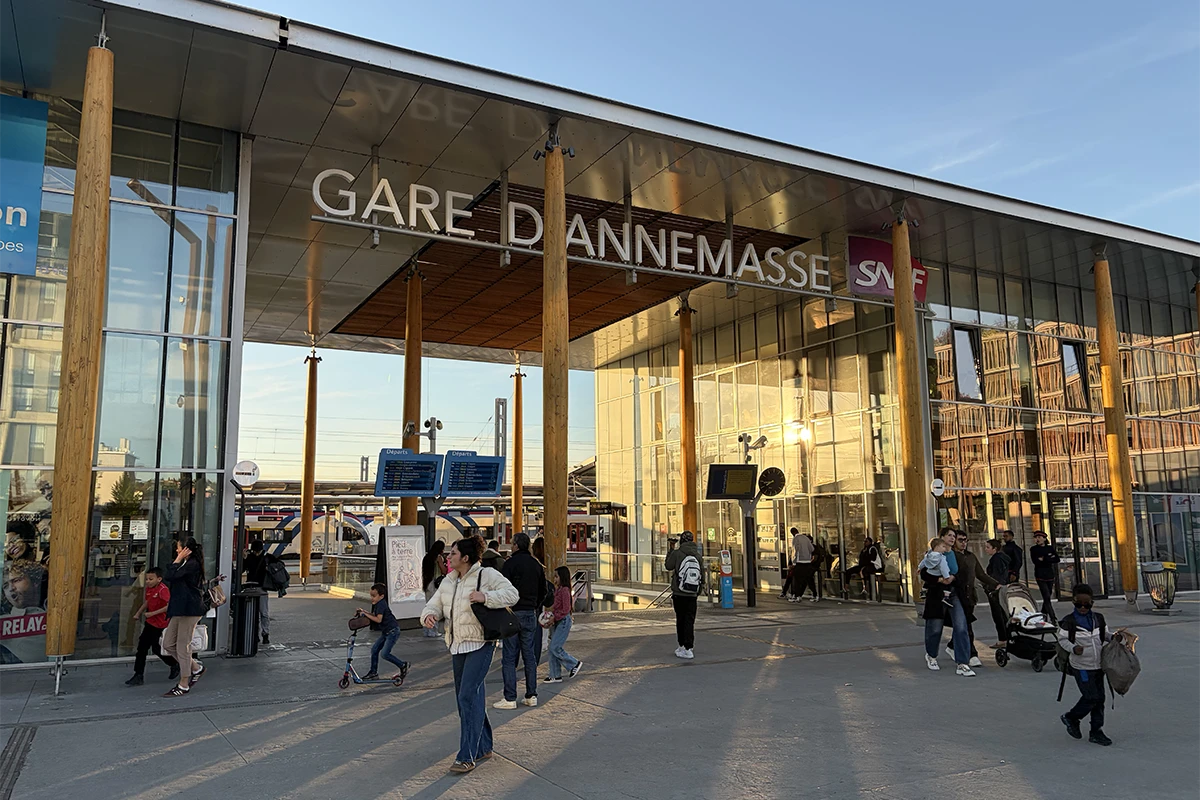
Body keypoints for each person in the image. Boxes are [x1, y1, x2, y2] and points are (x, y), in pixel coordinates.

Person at [421, 537, 520, 774]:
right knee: (470, 698)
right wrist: (428, 615)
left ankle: (466, 755)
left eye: (452, 553)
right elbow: (434, 604)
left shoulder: (486, 575)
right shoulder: (448, 580)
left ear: (465, 558)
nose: (448, 557)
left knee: (466, 697)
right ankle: (484, 745)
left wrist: (486, 597)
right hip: (457, 645)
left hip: (481, 643)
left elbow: (512, 594)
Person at [496, 533, 546, 709]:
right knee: (529, 656)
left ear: (516, 545)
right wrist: (534, 605)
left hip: (512, 613)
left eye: (511, 542)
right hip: (530, 613)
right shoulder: (536, 565)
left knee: (509, 657)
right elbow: (544, 590)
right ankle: (531, 695)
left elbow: (501, 589)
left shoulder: (509, 564)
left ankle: (510, 698)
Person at [1058, 584, 1112, 746]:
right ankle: (1071, 717)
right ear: (1073, 602)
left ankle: (1096, 731)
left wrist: (1116, 637)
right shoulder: (1068, 622)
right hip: (1081, 667)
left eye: (1086, 604)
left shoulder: (1099, 619)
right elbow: (1062, 640)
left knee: (1100, 699)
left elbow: (1104, 635)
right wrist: (1073, 648)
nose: (1082, 607)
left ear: (1092, 603)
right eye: (1078, 604)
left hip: (1098, 666)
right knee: (1091, 697)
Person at [919, 528, 974, 676]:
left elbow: (964, 574)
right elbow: (924, 573)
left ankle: (962, 663)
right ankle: (931, 655)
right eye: (949, 535)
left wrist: (953, 578)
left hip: (955, 594)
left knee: (961, 627)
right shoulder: (933, 555)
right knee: (935, 628)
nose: (952, 538)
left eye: (954, 536)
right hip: (937, 595)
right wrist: (939, 580)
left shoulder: (956, 556)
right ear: (941, 537)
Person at [942, 531, 999, 668]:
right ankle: (972, 654)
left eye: (965, 540)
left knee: (962, 625)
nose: (963, 543)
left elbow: (980, 574)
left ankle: (952, 646)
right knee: (966, 625)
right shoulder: (950, 556)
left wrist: (996, 584)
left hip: (969, 596)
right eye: (960, 540)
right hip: (956, 594)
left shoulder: (970, 556)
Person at [162, 537, 206, 697]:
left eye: (179, 548)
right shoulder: (186, 564)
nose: (176, 551)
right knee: (168, 643)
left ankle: (184, 683)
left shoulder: (191, 565)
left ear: (187, 550)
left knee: (183, 646)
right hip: (179, 609)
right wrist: (178, 560)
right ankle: (196, 668)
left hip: (190, 609)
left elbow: (170, 576)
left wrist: (178, 560)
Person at [125, 567, 179, 686]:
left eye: (151, 579)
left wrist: (152, 613)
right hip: (151, 622)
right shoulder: (150, 589)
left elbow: (169, 606)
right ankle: (172, 664)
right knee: (148, 647)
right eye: (147, 579)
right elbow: (147, 602)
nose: (148, 581)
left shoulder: (163, 590)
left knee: (147, 647)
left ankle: (173, 664)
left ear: (159, 579)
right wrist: (138, 613)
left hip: (160, 623)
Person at [358, 583, 408, 682]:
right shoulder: (378, 604)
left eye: (374, 596)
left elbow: (378, 619)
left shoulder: (381, 604)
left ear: (381, 596)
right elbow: (374, 615)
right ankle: (373, 673)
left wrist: (366, 615)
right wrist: (364, 612)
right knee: (374, 650)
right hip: (386, 632)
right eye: (371, 595)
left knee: (385, 654)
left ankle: (403, 665)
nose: (372, 598)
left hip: (392, 631)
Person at [664, 531, 703, 658]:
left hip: (679, 593)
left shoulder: (677, 553)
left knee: (680, 619)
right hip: (692, 593)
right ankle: (689, 647)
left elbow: (668, 566)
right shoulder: (698, 555)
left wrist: (670, 549)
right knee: (689, 620)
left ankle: (681, 646)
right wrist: (698, 591)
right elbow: (702, 575)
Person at [544, 566, 582, 683]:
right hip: (558, 620)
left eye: (556, 576)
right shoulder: (559, 590)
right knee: (552, 648)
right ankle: (555, 674)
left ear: (563, 577)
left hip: (563, 621)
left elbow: (566, 609)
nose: (554, 579)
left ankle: (573, 663)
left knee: (555, 646)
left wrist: (554, 618)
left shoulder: (565, 590)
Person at [242, 540, 273, 645]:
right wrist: (244, 558)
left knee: (263, 613)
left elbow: (279, 565)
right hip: (252, 587)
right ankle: (255, 635)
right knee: (256, 613)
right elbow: (241, 569)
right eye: (255, 551)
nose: (256, 553)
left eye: (258, 551)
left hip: (261, 588)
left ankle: (265, 634)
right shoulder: (249, 557)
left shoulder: (267, 557)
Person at [983, 539, 1013, 648]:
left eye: (988, 547)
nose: (986, 549)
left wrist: (993, 586)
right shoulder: (1002, 558)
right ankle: (1006, 637)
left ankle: (1003, 639)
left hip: (996, 590)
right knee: (1002, 614)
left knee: (998, 615)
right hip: (1001, 588)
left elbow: (996, 575)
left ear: (995, 549)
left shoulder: (996, 559)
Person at [1030, 532, 1060, 622]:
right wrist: (1048, 558)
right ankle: (1053, 618)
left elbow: (1056, 559)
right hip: (1040, 575)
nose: (1037, 539)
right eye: (1035, 537)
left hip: (1050, 575)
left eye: (1039, 537)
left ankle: (1043, 615)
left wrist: (1045, 558)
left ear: (1044, 538)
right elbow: (1036, 561)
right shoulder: (1034, 549)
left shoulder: (1050, 548)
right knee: (1046, 596)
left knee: (1048, 596)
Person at [421, 540, 447, 638]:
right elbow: (443, 571)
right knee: (435, 607)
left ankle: (426, 630)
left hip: (427, 583)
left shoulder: (426, 557)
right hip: (435, 584)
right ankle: (433, 631)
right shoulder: (438, 558)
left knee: (428, 606)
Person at [918, 538, 955, 608]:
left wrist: (919, 567)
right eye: (943, 547)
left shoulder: (928, 555)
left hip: (930, 572)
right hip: (938, 574)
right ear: (937, 547)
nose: (945, 549)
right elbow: (943, 568)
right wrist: (946, 576)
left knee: (927, 582)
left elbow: (924, 562)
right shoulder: (941, 557)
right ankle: (946, 597)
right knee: (947, 586)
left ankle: (923, 591)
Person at [789, 527, 817, 602]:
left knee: (797, 580)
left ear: (792, 533)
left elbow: (795, 551)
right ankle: (815, 595)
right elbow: (812, 549)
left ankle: (797, 596)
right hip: (808, 562)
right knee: (809, 580)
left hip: (799, 562)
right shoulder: (806, 538)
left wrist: (793, 563)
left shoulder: (796, 539)